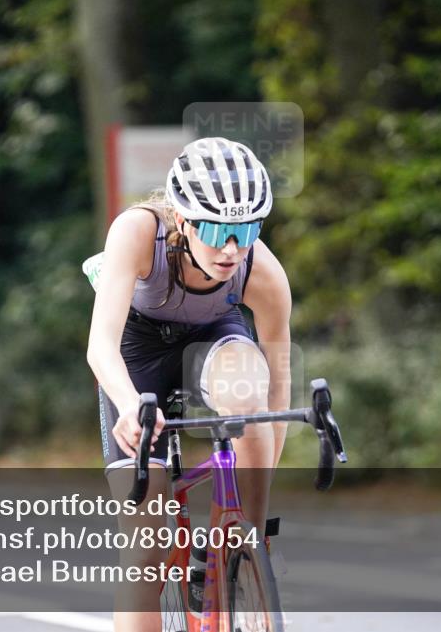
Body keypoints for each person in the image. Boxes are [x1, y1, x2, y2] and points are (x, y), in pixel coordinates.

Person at [85, 137, 292, 632]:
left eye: (246, 230)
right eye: (217, 230)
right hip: (137, 352)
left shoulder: (262, 272)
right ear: (183, 219)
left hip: (214, 336)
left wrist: (257, 513)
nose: (231, 248)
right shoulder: (138, 232)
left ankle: (238, 552)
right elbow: (100, 345)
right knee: (146, 549)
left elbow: (278, 386)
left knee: (250, 397)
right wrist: (129, 405)